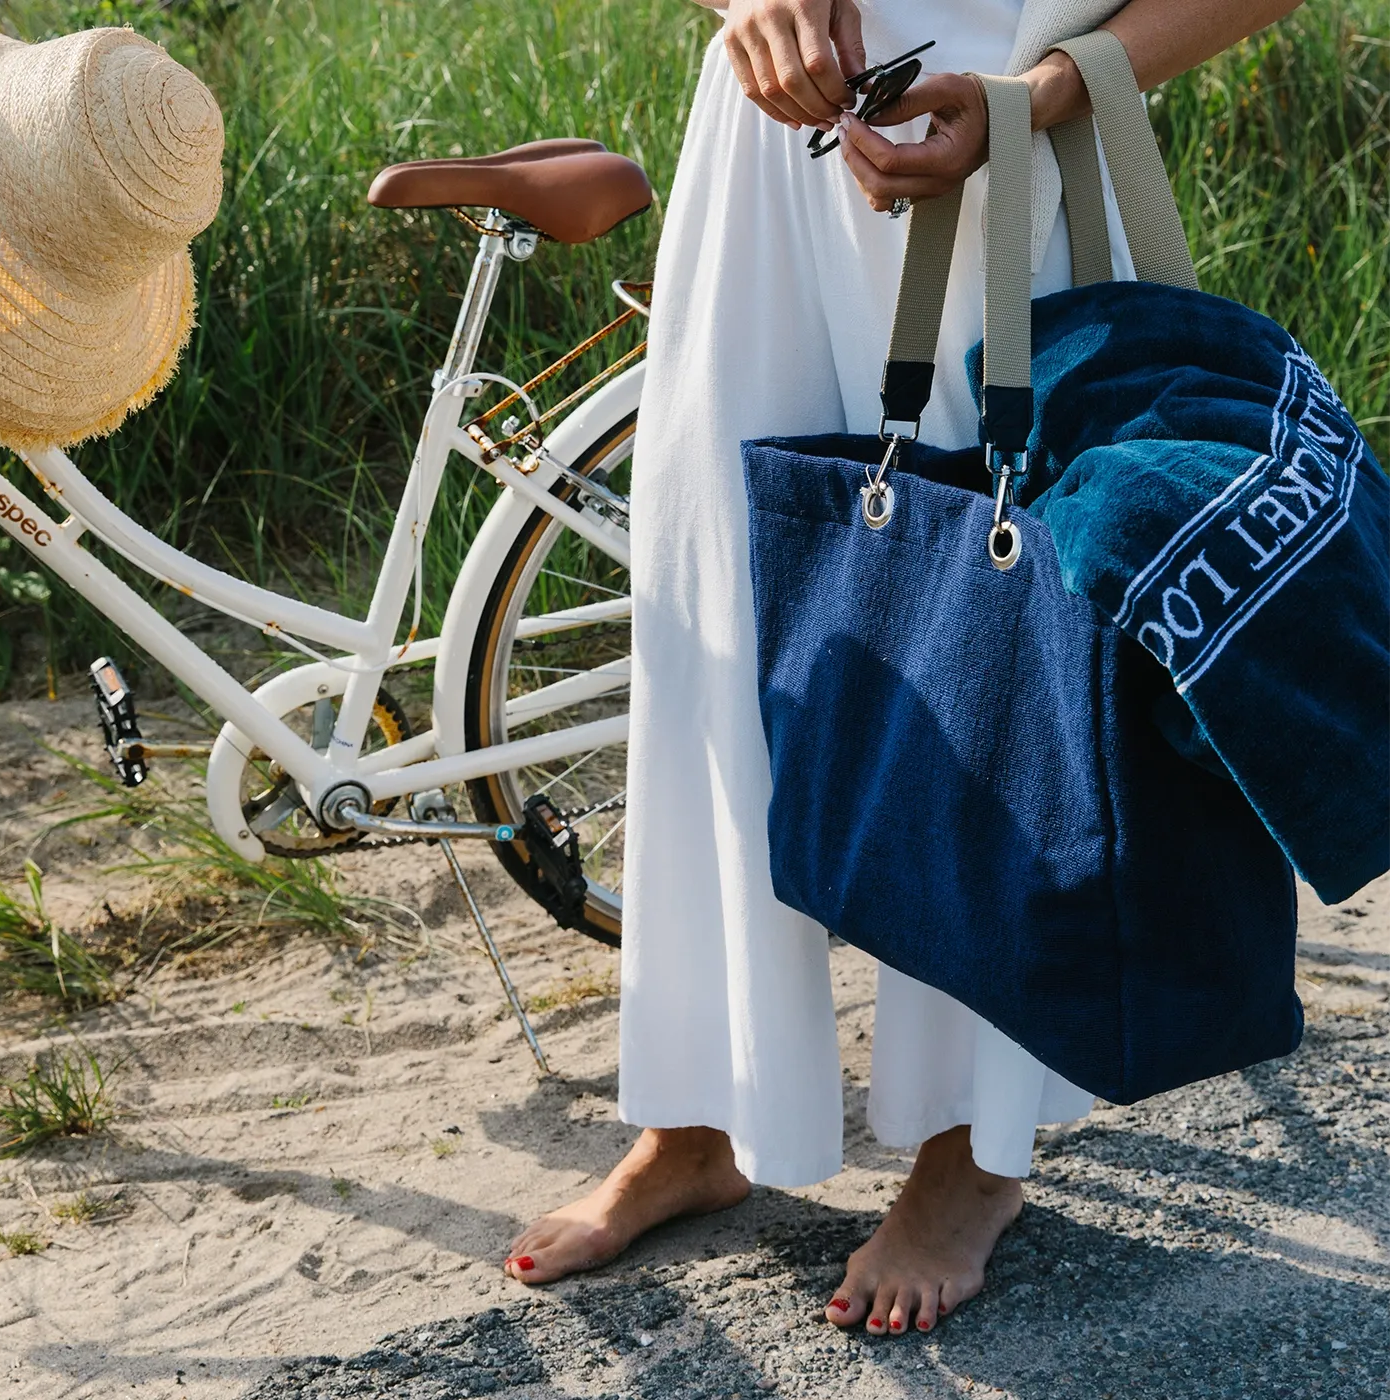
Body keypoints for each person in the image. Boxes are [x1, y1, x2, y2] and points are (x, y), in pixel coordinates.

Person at [504, 0, 1303, 1336]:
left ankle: (970, 1153)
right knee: (714, 623)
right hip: (770, 162)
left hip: (1004, 142)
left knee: (988, 652)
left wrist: (1041, 96)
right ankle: (695, 1116)